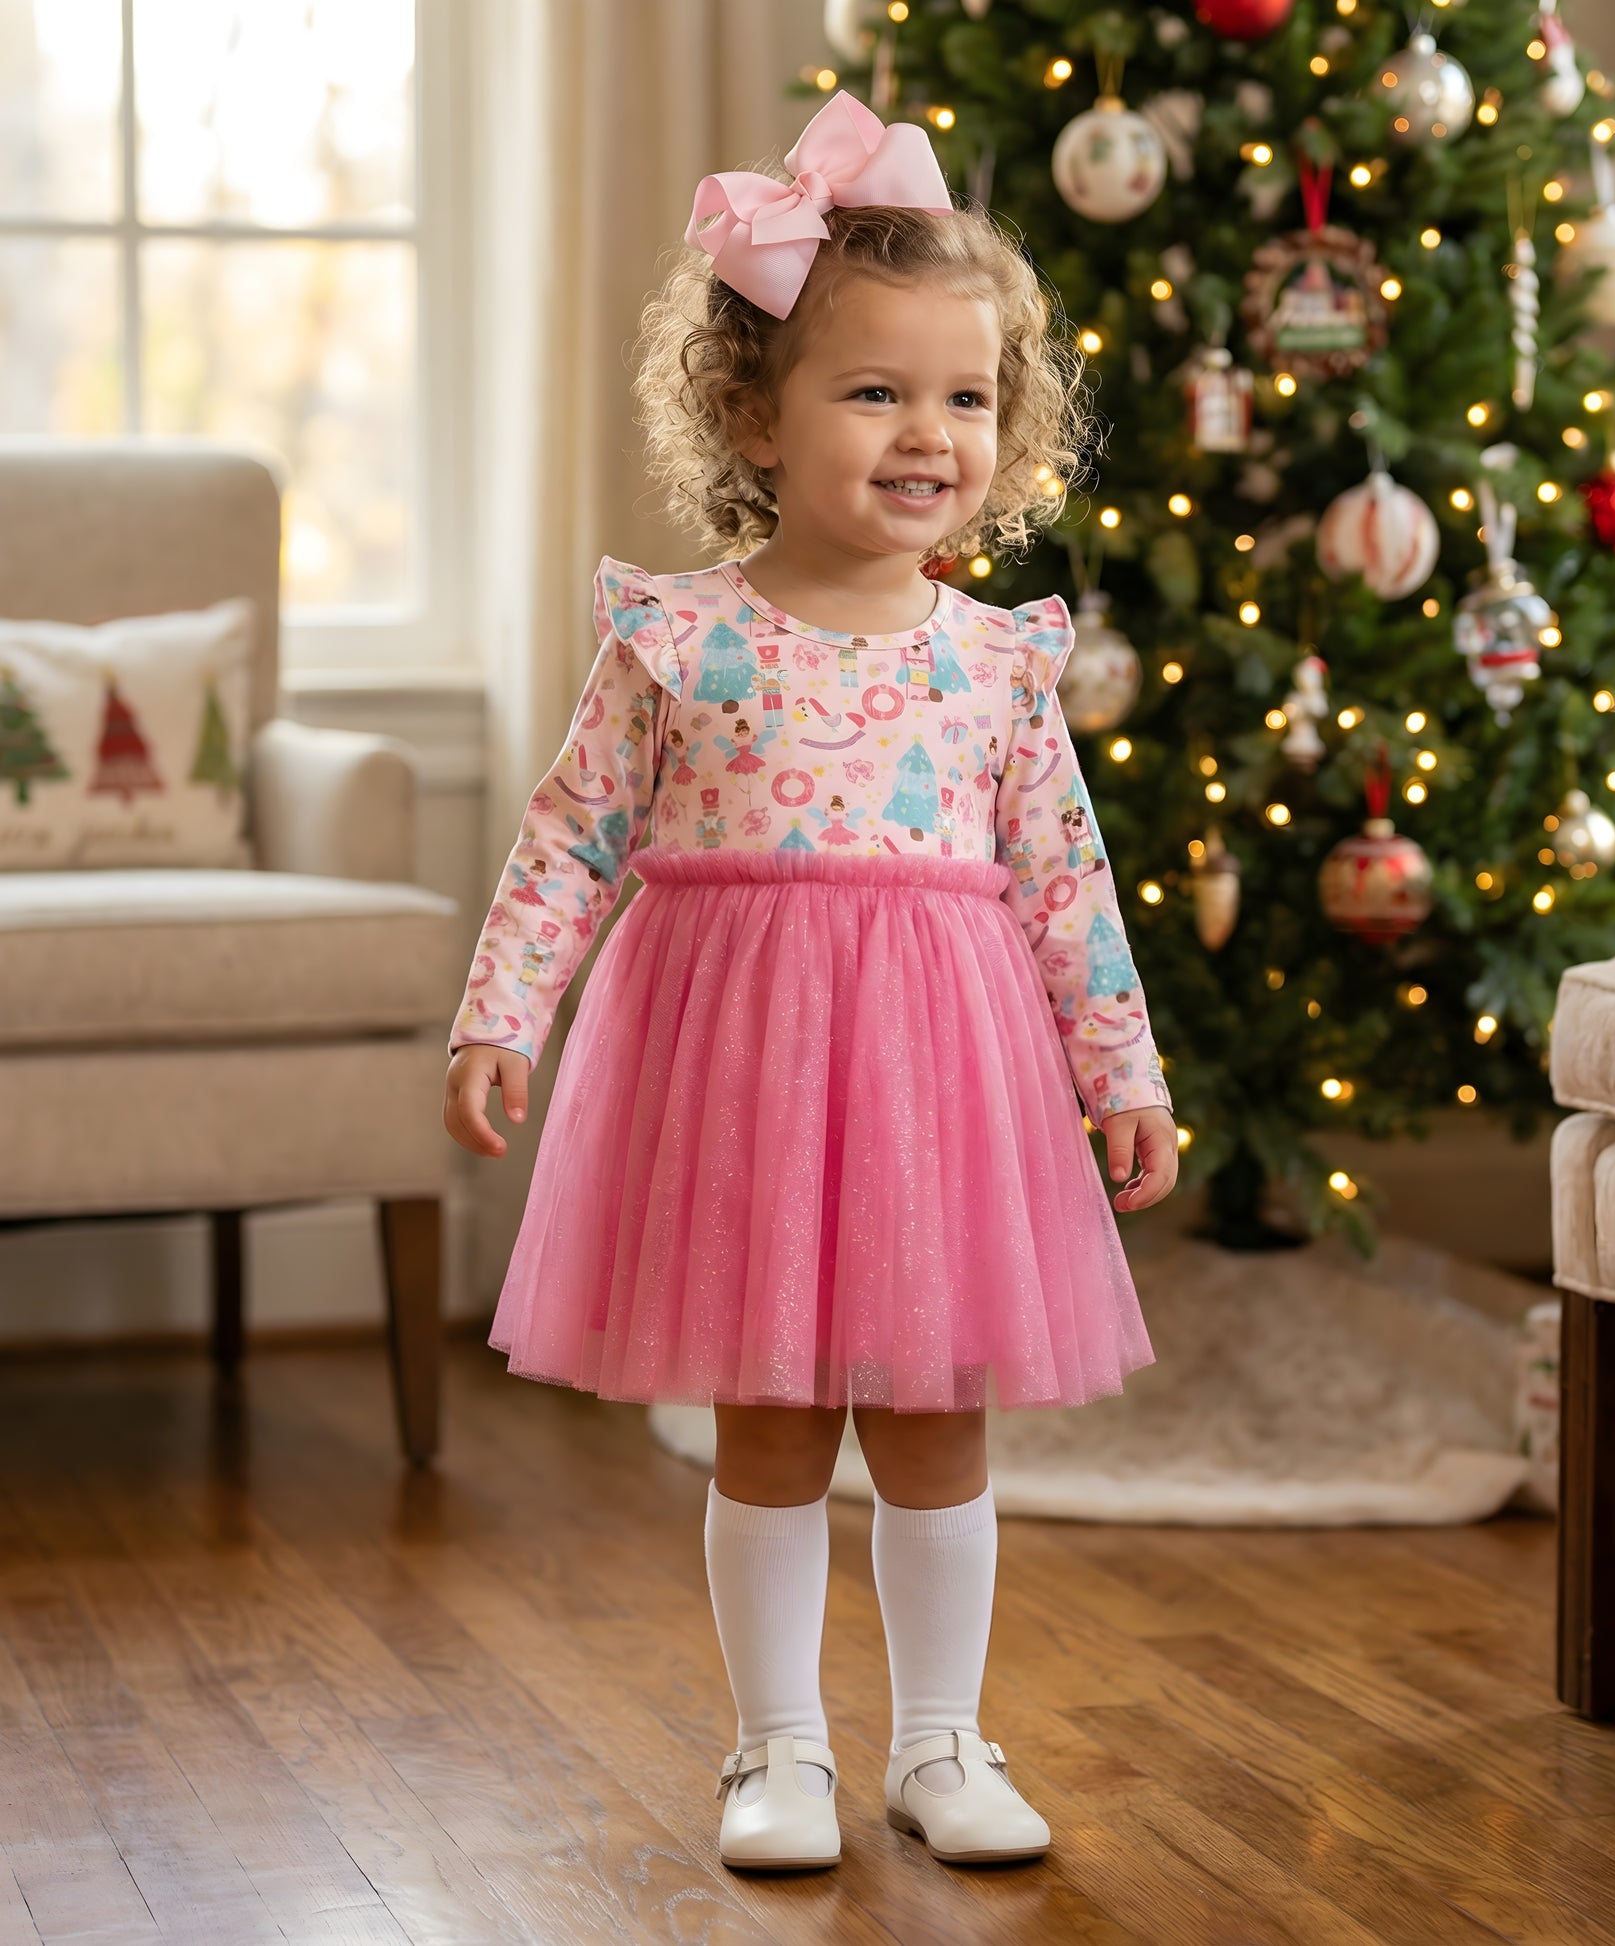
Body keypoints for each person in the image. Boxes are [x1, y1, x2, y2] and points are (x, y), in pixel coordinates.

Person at [443, 88, 1177, 1875]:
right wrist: (501, 1009)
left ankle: (939, 1740)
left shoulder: (999, 663)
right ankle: (775, 1747)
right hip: (738, 1083)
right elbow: (569, 837)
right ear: (747, 412)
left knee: (935, 1425)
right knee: (768, 1423)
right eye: (874, 392)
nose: (928, 435)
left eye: (967, 397)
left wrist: (1122, 1071)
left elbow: (1064, 884)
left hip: (946, 1085)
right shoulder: (678, 634)